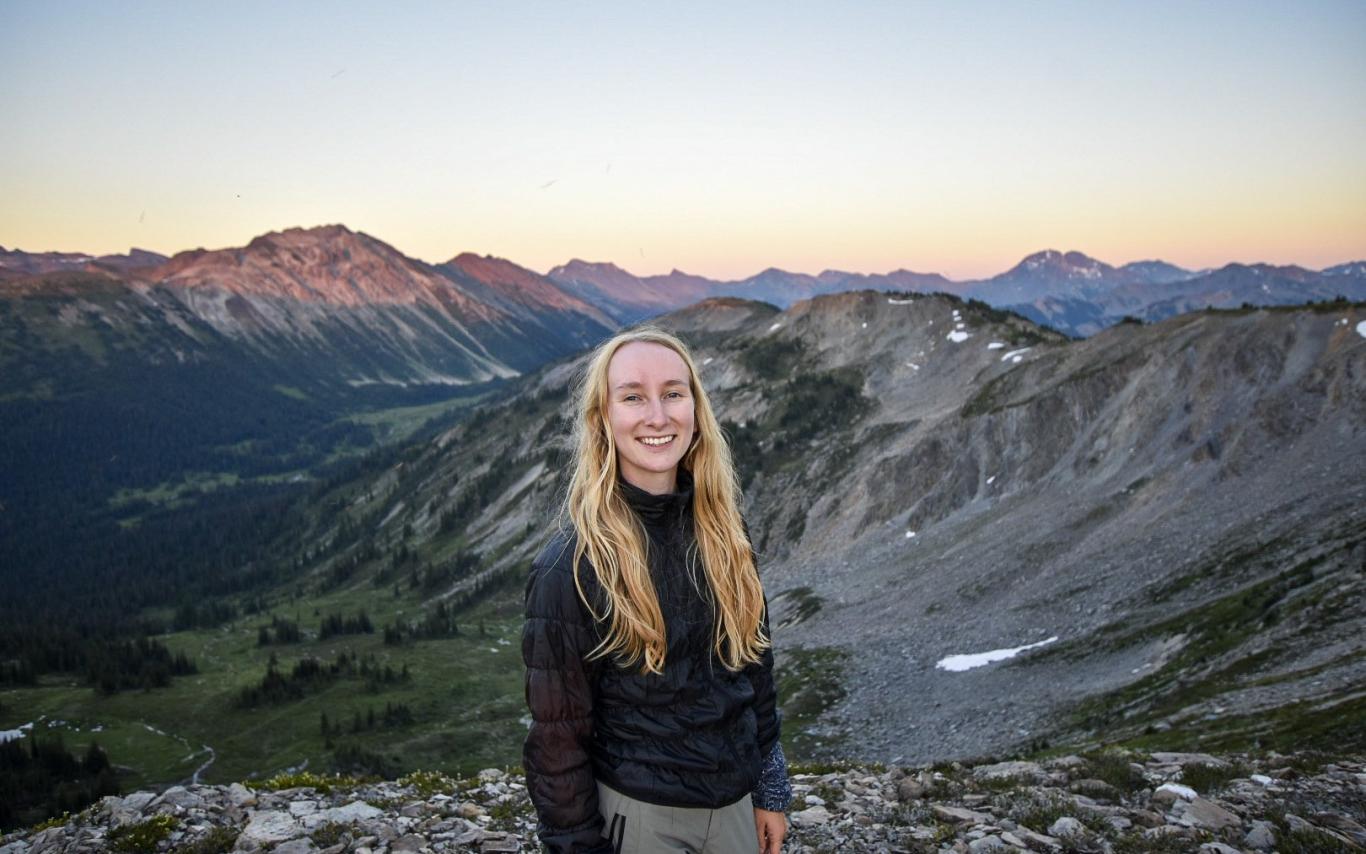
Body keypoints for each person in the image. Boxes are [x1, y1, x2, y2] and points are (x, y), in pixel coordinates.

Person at [522, 327, 792, 854]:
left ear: (696, 408)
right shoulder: (571, 566)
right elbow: (557, 739)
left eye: (673, 392)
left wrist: (769, 790)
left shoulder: (727, 539)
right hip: (640, 820)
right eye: (632, 397)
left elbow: (754, 671)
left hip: (734, 809)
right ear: (603, 419)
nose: (658, 416)